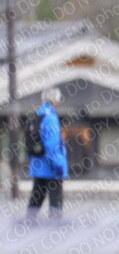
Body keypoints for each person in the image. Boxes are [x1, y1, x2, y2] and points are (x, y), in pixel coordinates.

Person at [27, 88, 68, 219]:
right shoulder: (51, 118)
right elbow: (52, 145)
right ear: (55, 101)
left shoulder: (37, 114)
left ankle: (27, 225)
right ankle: (56, 228)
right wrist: (59, 166)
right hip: (51, 169)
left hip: (37, 166)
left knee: (36, 200)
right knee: (56, 202)